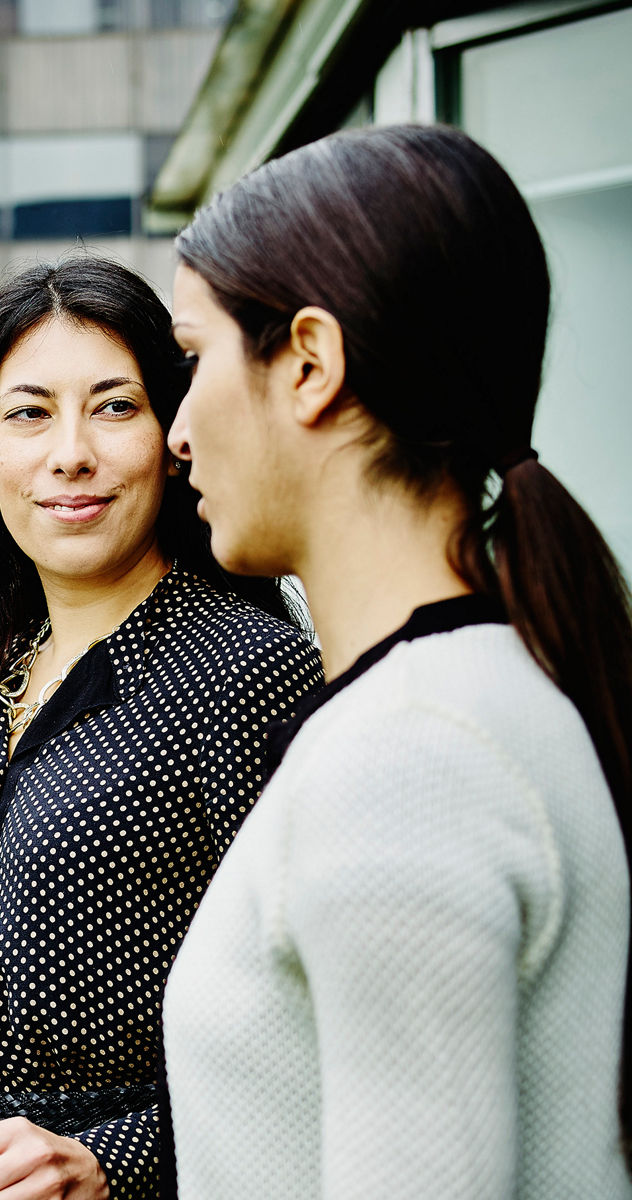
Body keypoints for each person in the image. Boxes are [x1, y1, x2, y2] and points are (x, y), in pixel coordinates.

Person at [162, 123, 632, 1199]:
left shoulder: (404, 760)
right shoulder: (483, 690)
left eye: (194, 360)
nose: (178, 429)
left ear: (309, 365)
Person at [0, 255, 320, 1200]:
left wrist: (112, 1161)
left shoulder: (243, 673)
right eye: (30, 411)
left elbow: (319, 1020)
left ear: (174, 437)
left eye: (115, 406)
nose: (70, 452)